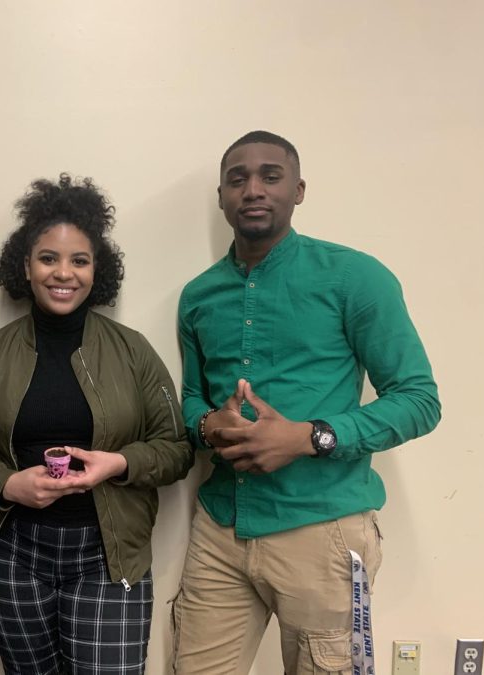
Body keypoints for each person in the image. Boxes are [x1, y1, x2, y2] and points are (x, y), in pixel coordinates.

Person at [172, 131, 441, 675]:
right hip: (220, 530)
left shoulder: (355, 277)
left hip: (322, 532)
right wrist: (207, 425)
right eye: (237, 178)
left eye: (270, 176)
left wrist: (308, 437)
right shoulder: (198, 295)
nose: (253, 189)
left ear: (298, 190)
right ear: (221, 196)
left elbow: (419, 400)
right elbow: (192, 398)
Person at [0, 174, 193, 675]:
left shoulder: (133, 351)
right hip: (12, 557)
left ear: (97, 269)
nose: (64, 273)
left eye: (79, 260)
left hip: (108, 557)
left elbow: (177, 449)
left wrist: (119, 463)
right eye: (48, 258)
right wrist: (8, 484)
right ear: (26, 266)